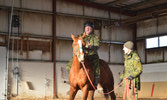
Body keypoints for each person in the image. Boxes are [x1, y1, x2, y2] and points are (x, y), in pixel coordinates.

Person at [66, 21, 102, 90]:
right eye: (86, 27)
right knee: (69, 65)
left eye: (89, 27)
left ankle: (97, 82)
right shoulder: (80, 36)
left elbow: (97, 46)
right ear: (84, 28)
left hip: (92, 55)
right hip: (82, 55)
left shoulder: (95, 37)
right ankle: (71, 81)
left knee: (96, 64)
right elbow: (76, 44)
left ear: (92, 29)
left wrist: (91, 46)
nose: (88, 29)